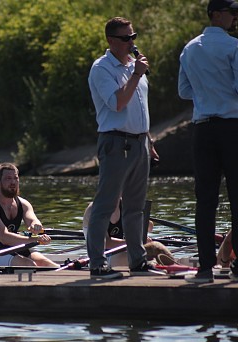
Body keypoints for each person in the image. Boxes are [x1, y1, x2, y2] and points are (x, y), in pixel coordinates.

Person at [178, 0, 238, 283]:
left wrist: (206, 91)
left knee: (205, 200)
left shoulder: (189, 48)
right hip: (234, 126)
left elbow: (184, 91)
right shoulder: (234, 46)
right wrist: (226, 89)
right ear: (216, 15)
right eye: (232, 12)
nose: (236, 17)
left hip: (204, 129)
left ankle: (205, 269)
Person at [87, 16, 158, 279]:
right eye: (126, 38)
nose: (132, 43)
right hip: (116, 143)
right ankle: (97, 264)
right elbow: (118, 103)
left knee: (135, 207)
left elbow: (140, 108)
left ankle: (137, 261)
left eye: (134, 37)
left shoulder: (133, 66)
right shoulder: (102, 68)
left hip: (139, 143)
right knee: (105, 206)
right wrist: (137, 74)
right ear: (111, 40)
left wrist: (148, 139)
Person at [0, 163, 57, 267]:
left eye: (15, 178)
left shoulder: (23, 203)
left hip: (13, 247)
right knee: (29, 264)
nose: (13, 182)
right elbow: (4, 237)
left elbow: (32, 220)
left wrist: (36, 226)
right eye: (8, 178)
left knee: (47, 264)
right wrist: (35, 239)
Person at [82, 199, 176, 266]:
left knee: (156, 246)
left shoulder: (125, 205)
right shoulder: (94, 209)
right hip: (103, 258)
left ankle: (174, 266)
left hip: (125, 251)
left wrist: (138, 211)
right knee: (144, 256)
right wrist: (135, 243)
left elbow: (150, 227)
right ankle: (155, 265)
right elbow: (105, 243)